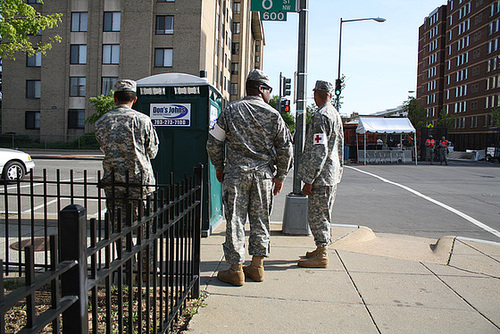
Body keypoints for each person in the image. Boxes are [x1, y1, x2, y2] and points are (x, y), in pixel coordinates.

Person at [206, 69, 293, 286]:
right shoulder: (274, 115)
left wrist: (219, 166)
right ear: (260, 89)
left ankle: (235, 269)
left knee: (235, 220)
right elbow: (286, 149)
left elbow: (213, 142)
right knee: (260, 220)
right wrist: (280, 175)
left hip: (235, 174)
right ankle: (257, 266)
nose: (270, 95)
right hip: (263, 176)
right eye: (269, 90)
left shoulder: (230, 111)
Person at [95, 79, 159, 263]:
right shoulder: (143, 120)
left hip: (114, 181)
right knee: (146, 225)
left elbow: (103, 146)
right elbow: (153, 152)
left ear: (115, 98)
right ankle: (146, 266)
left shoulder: (101, 122)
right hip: (141, 180)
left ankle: (125, 263)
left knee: (119, 226)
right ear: (135, 99)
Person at [296, 80, 344, 268]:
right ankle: (320, 248)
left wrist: (309, 178)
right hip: (331, 174)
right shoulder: (334, 114)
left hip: (321, 176)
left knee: (318, 216)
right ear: (330, 95)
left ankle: (322, 253)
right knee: (324, 213)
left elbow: (319, 150)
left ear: (316, 93)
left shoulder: (321, 116)